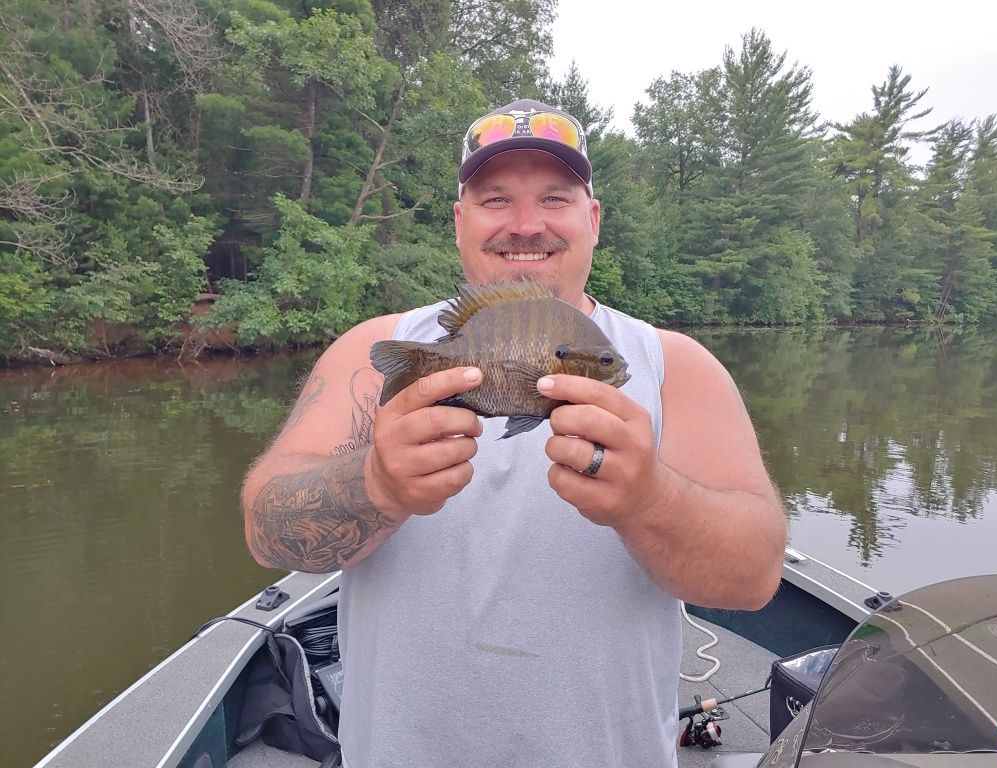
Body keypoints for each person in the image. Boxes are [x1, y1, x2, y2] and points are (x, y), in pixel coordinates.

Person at [241, 98, 787, 768]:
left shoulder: (677, 367)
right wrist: (375, 483)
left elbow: (755, 578)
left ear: (593, 219)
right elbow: (264, 530)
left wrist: (651, 499)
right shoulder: (374, 351)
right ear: (459, 222)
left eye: (555, 198)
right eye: (496, 199)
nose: (526, 224)